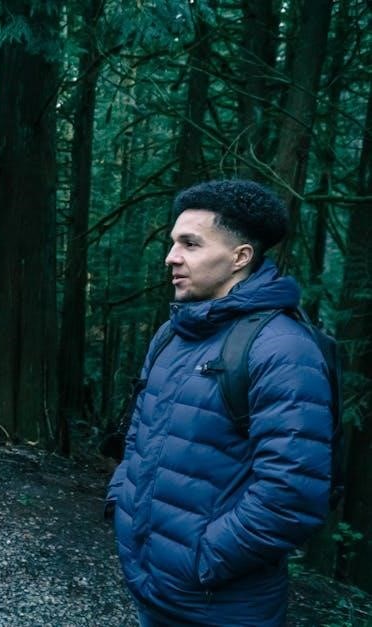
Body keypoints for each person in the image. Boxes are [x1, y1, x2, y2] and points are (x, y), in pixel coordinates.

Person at [106, 180, 333, 626]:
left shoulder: (283, 349)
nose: (171, 257)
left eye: (190, 244)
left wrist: (204, 561)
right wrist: (122, 506)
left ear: (240, 257)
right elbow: (140, 434)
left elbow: (292, 496)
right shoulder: (172, 334)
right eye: (173, 242)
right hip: (152, 586)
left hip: (222, 606)